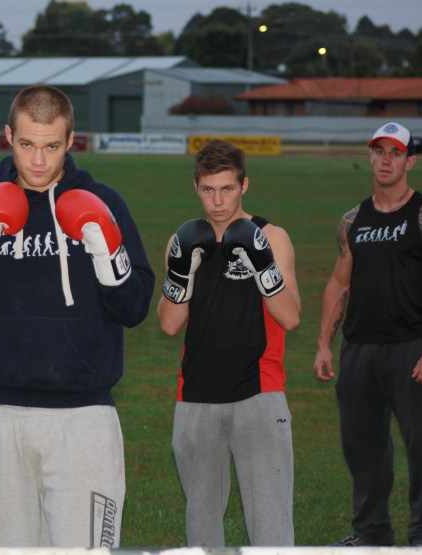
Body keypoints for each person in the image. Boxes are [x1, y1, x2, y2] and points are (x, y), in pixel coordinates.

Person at [0, 84, 154, 547]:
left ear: (70, 140)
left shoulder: (105, 202)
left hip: (84, 416)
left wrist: (107, 255)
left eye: (52, 146)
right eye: (27, 145)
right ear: (8, 136)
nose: (38, 160)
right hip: (2, 415)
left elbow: (134, 307)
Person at [313, 122, 422, 548]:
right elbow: (339, 284)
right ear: (371, 156)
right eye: (379, 151)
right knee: (363, 448)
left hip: (409, 348)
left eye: (395, 153)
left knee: (419, 447)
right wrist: (324, 344)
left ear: (410, 161)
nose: (386, 160)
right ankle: (371, 534)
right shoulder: (353, 220)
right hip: (358, 349)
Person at [157, 139, 301, 547]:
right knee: (201, 524)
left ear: (244, 186)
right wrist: (181, 272)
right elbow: (169, 324)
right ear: (196, 187)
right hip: (196, 395)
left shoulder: (272, 236)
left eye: (227, 189)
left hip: (259, 392)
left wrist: (263, 265)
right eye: (208, 190)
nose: (218, 201)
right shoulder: (182, 241)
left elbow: (290, 316)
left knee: (271, 523)